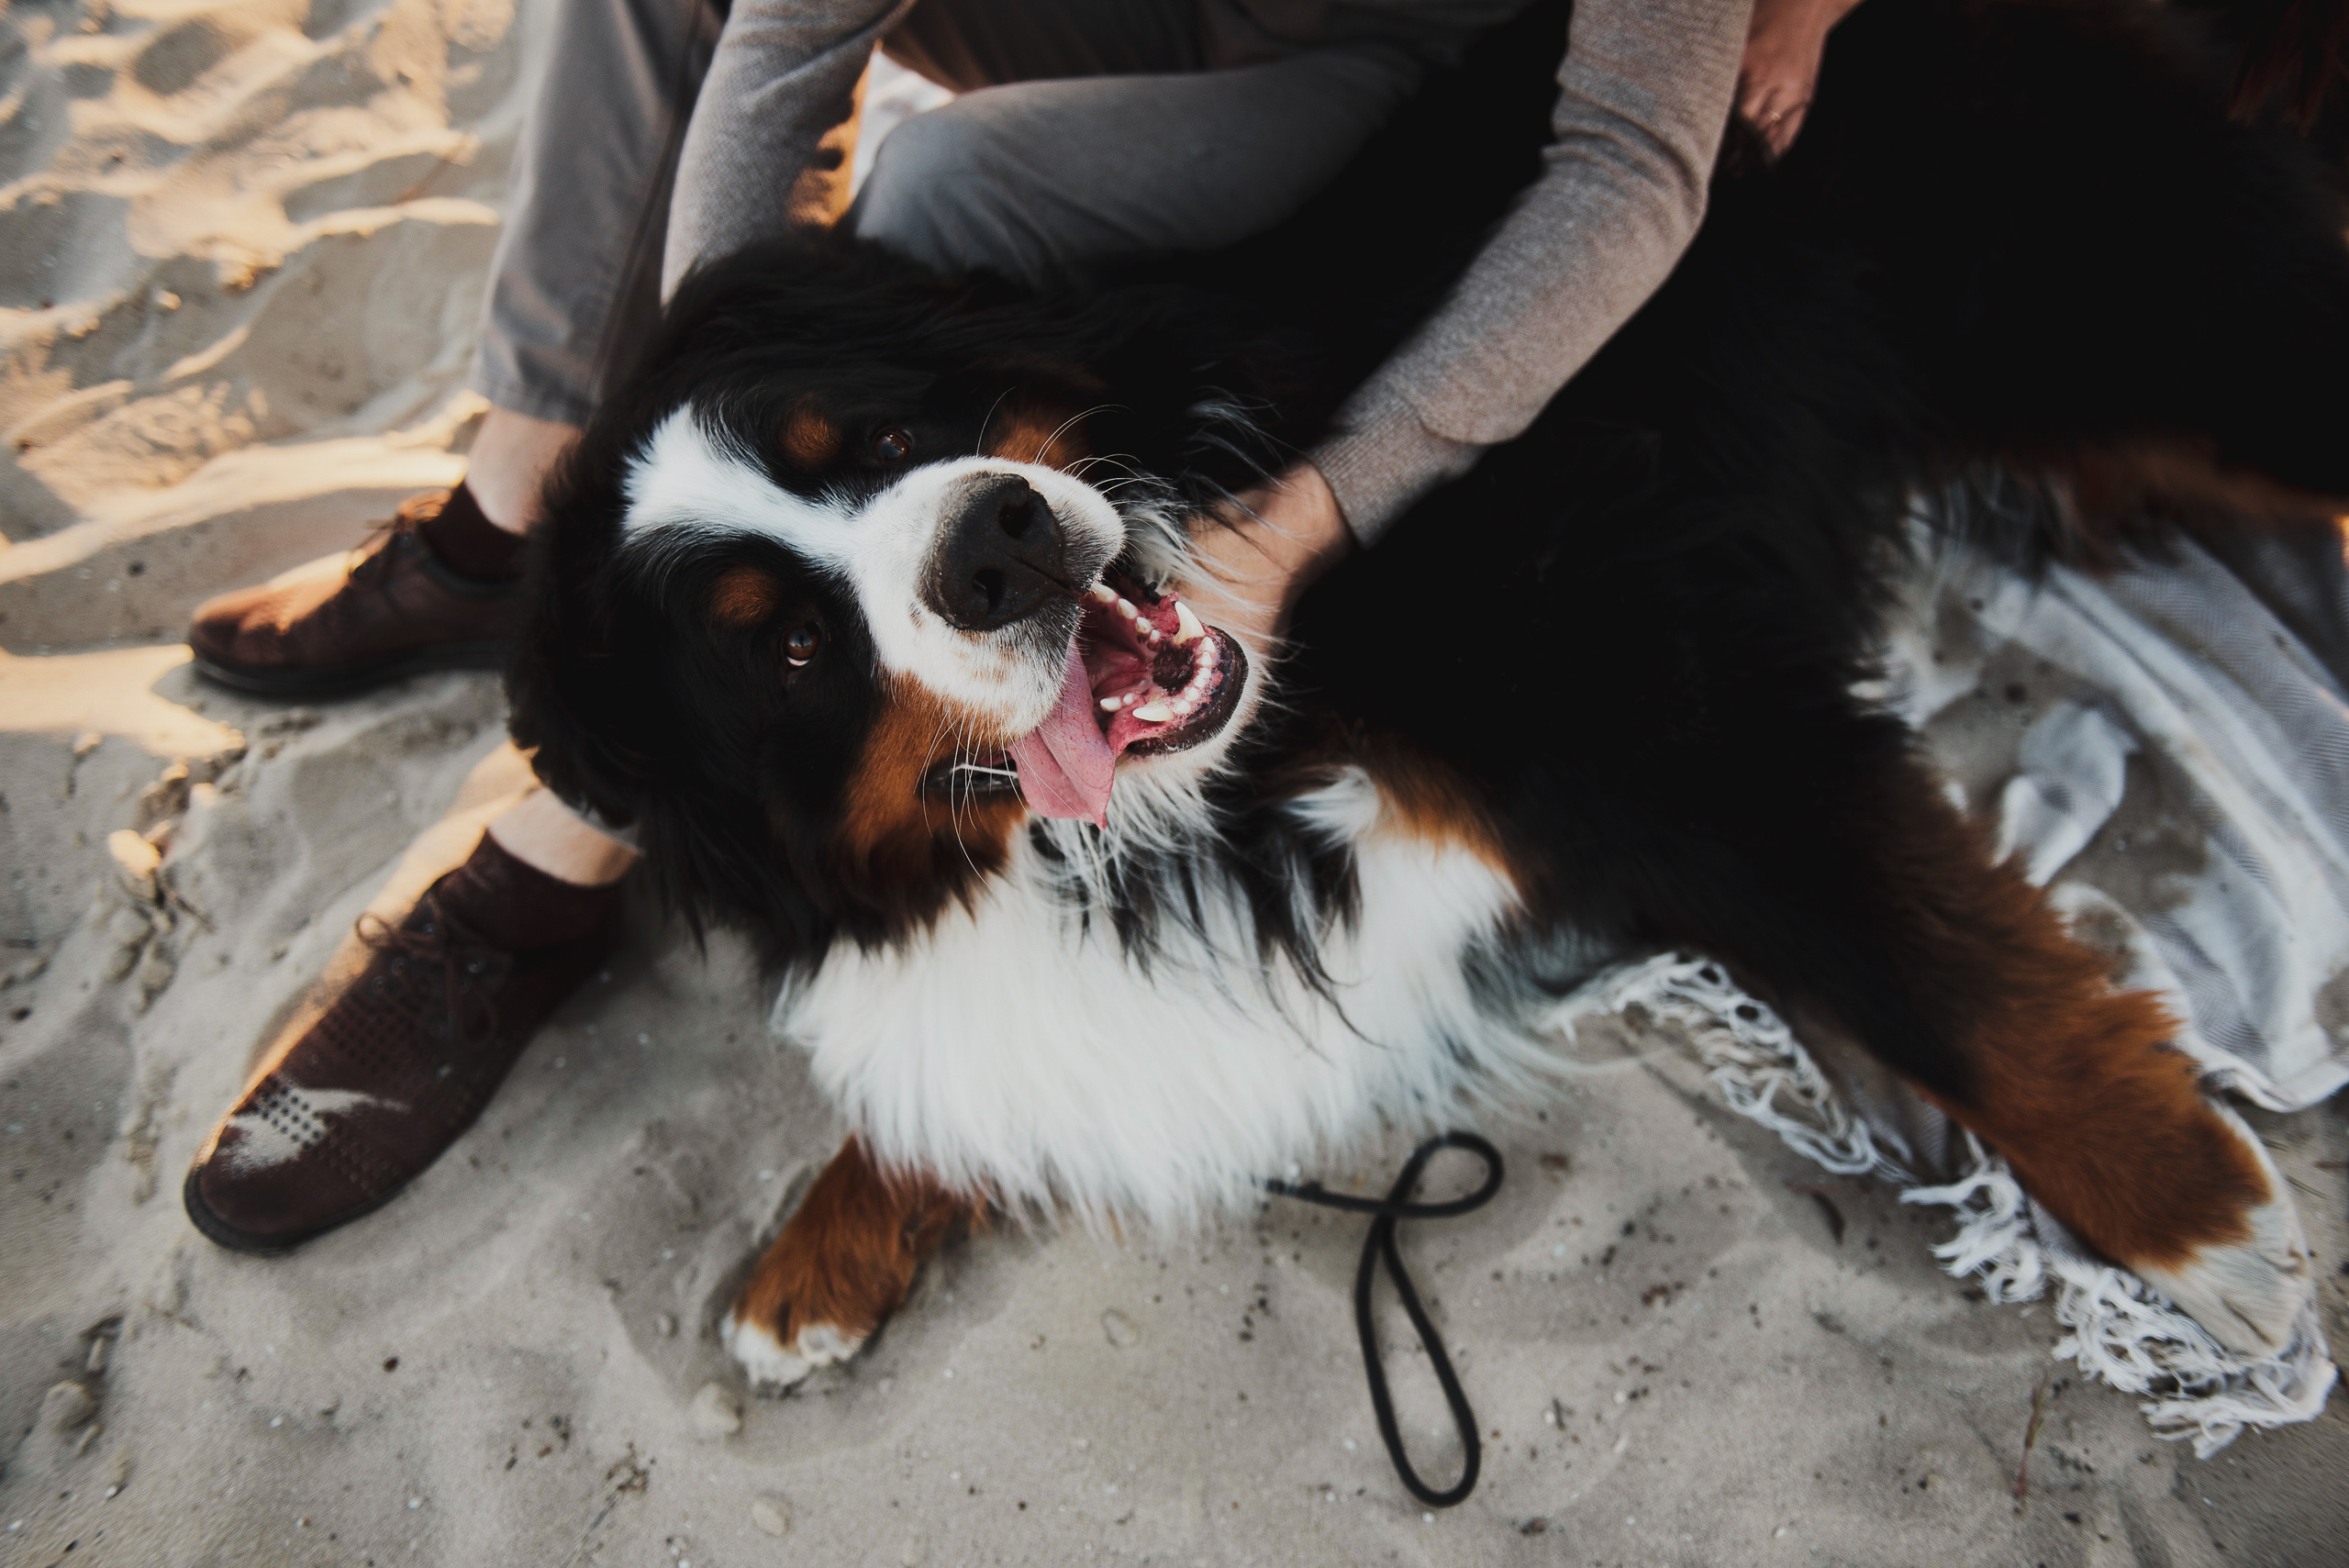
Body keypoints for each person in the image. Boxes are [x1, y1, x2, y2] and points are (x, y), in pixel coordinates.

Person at [180, 0, 1865, 1251]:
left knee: (945, 188)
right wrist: (705, 393)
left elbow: (1627, 169)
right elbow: (784, 43)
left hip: (1405, 32)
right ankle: (518, 509)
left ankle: (564, 836)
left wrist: (1315, 509)